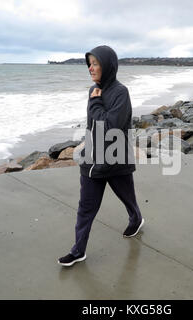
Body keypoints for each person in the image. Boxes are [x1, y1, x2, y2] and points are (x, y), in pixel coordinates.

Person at [58, 45, 144, 267]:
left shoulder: (120, 92)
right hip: (92, 161)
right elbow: (92, 126)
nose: (91, 68)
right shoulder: (92, 90)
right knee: (86, 207)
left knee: (128, 199)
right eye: (89, 63)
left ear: (108, 66)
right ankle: (78, 250)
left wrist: (95, 102)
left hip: (116, 159)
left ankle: (136, 219)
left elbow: (109, 127)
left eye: (95, 63)